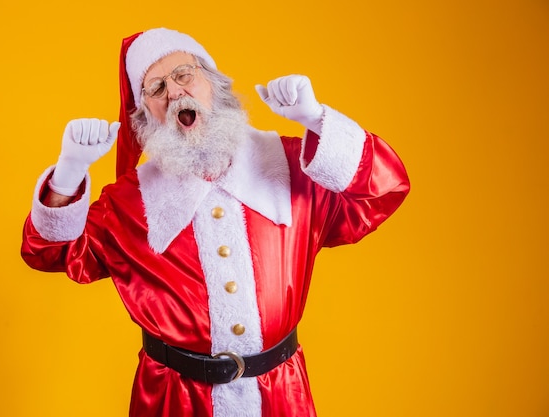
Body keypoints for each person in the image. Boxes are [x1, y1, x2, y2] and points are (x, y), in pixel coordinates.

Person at [21, 27, 410, 417]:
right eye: (154, 89)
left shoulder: (291, 166)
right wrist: (68, 174)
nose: (173, 92)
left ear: (214, 82)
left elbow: (384, 189)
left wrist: (317, 119)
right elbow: (49, 253)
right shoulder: (128, 202)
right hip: (174, 401)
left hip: (281, 397)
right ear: (145, 116)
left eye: (183, 74)